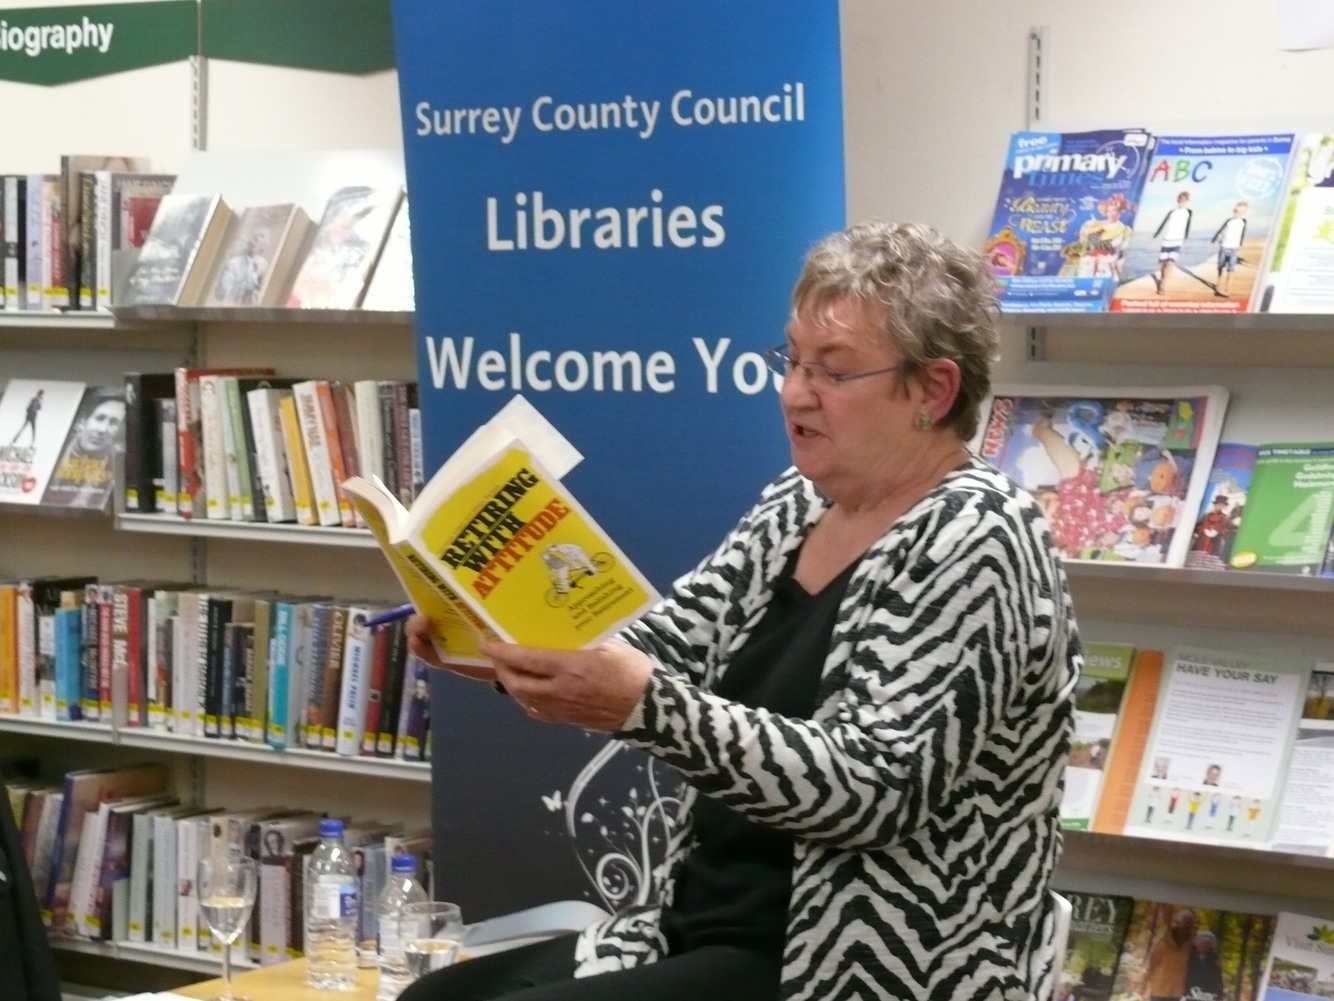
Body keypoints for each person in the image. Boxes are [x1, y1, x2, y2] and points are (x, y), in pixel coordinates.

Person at [400, 221, 1082, 1001]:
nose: (794, 393)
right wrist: (497, 638)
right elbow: (668, 644)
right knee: (431, 998)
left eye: (833, 371)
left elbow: (874, 788)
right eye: (792, 360)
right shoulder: (799, 503)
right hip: (693, 925)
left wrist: (644, 704)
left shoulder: (980, 533)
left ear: (933, 390)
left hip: (848, 964)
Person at [43, 390, 126, 508]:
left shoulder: (119, 466)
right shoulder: (51, 451)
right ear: (82, 421)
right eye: (99, 418)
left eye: (113, 423)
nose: (102, 429)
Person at [1141, 909, 1198, 1001]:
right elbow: (1151, 963)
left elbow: (1194, 968)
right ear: (1177, 922)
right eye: (1184, 922)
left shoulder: (1193, 944)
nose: (1187, 926)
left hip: (1177, 991)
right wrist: (1144, 984)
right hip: (1159, 988)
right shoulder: (1163, 940)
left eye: (1190, 923)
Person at [1152, 191, 1193, 294]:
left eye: (1184, 200)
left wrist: (1186, 237)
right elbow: (1163, 224)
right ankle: (1162, 278)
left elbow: (1188, 225)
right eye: (1180, 200)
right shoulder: (1171, 212)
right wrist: (1154, 236)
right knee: (1162, 264)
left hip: (1177, 240)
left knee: (1170, 263)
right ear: (1178, 200)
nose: (1182, 202)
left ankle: (1163, 284)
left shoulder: (1189, 212)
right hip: (1167, 240)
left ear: (1187, 201)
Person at [1210, 201, 1248, 297]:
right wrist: (1214, 241)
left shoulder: (1243, 222)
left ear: (1244, 212)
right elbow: (1220, 231)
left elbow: (1242, 234)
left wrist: (1240, 244)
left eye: (1240, 212)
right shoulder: (1229, 221)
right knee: (1220, 267)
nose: (1238, 213)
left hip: (1234, 248)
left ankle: (1228, 290)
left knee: (1231, 269)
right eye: (1236, 211)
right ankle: (1218, 286)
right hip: (1224, 247)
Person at [1184, 929, 1225, 1001]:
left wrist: (1219, 993)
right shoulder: (1187, 957)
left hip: (1208, 995)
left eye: (1208, 943)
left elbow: (1218, 978)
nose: (1205, 945)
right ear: (1196, 943)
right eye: (1202, 943)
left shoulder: (1214, 960)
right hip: (1189, 994)